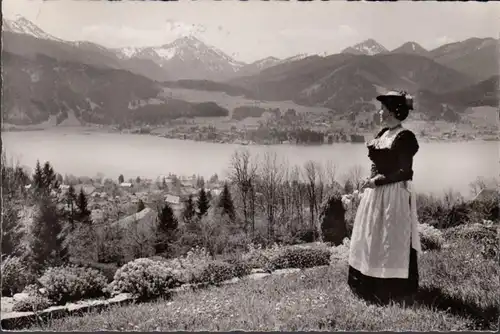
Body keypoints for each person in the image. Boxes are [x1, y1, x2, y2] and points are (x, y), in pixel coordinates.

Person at [347, 90, 422, 305]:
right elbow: (377, 163)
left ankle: (392, 288)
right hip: (376, 194)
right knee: (373, 235)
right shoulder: (382, 135)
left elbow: (405, 172)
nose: (379, 112)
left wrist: (377, 181)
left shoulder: (404, 137)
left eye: (383, 109)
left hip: (394, 194)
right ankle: (368, 283)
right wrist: (370, 178)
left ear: (392, 112)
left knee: (391, 236)